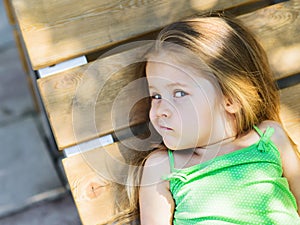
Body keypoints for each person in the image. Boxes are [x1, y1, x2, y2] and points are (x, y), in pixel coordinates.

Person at [106, 13, 300, 224]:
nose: (160, 110)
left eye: (179, 93)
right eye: (156, 96)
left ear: (230, 99)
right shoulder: (163, 167)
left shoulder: (268, 138)